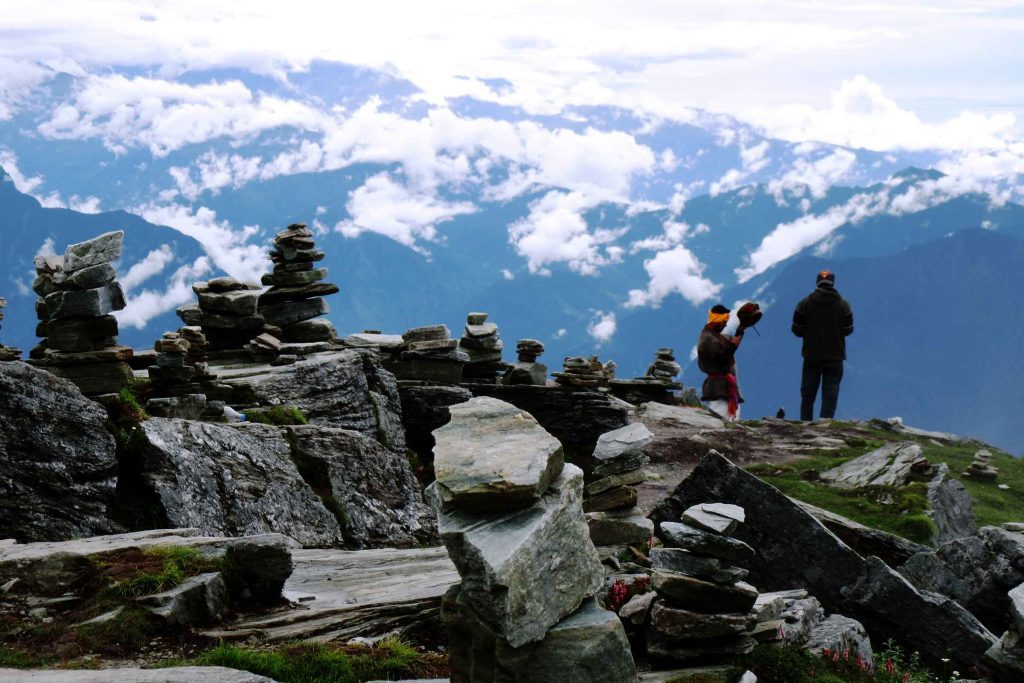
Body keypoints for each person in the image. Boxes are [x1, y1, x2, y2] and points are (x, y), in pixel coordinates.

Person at [791, 269, 854, 421]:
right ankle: (825, 423)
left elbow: (796, 330)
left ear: (817, 282)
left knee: (808, 393)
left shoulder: (804, 303)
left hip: (811, 356)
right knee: (830, 392)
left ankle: (805, 422)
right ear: (833, 283)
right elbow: (849, 329)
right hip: (835, 356)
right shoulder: (843, 304)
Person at [697, 304, 747, 420]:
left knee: (729, 421)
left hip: (725, 387)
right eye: (724, 321)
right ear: (718, 320)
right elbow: (723, 357)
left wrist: (741, 330)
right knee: (720, 421)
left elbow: (729, 344)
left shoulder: (717, 337)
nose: (725, 324)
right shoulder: (707, 338)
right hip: (718, 388)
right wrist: (735, 343)